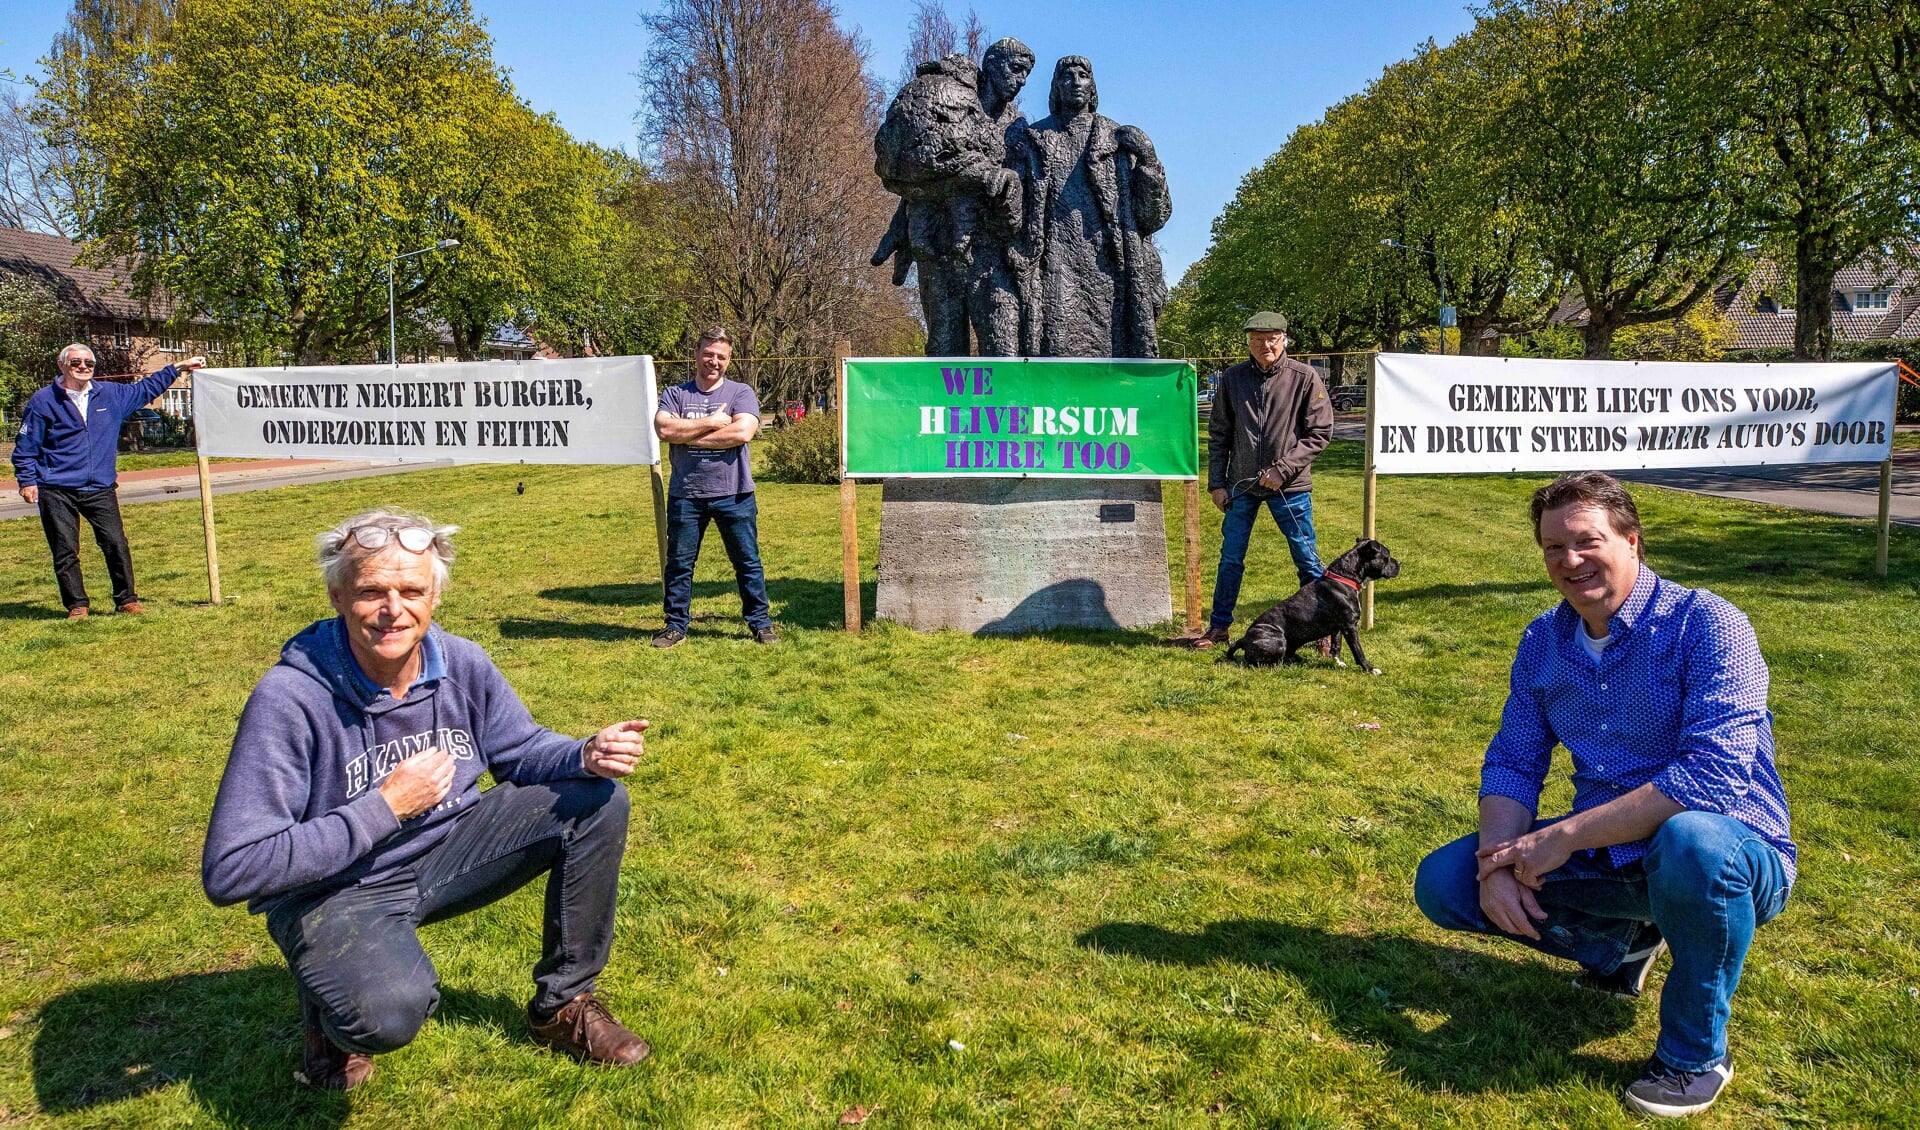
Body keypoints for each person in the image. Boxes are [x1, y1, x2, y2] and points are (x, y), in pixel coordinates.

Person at [203, 509, 653, 1090]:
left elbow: (518, 748)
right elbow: (231, 867)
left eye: (411, 589)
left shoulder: (460, 662)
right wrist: (384, 807)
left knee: (597, 801)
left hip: (448, 851)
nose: (394, 609)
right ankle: (329, 1019)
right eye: (371, 591)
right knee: (388, 1012)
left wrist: (584, 754)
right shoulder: (289, 698)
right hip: (338, 889)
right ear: (337, 596)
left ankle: (562, 1007)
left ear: (434, 594)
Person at [1413, 472, 1795, 1119]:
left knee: (1691, 842)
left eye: (1587, 541)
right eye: (1553, 548)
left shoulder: (1707, 623)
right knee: (1446, 881)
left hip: (1731, 852)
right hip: (1614, 857)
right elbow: (1513, 761)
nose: (1570, 561)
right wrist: (1496, 863)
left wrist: (1562, 837)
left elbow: (1711, 778)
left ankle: (1695, 1056)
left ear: (1633, 541)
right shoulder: (1543, 641)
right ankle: (1624, 946)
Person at [11, 344, 204, 618]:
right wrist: (27, 480)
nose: (84, 367)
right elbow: (26, 445)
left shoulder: (111, 395)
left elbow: (146, 388)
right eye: (76, 362)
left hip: (99, 487)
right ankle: (77, 605)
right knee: (65, 549)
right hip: (56, 488)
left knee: (115, 543)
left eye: (89, 362)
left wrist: (177, 368)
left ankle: (126, 600)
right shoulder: (43, 401)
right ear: (62, 365)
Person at [1015, 55, 1172, 358]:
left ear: (1092, 86)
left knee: (1112, 355)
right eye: (1066, 76)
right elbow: (1013, 214)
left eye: (1082, 75)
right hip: (1054, 265)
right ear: (1055, 87)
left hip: (1109, 266)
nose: (1074, 82)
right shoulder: (1034, 139)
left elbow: (1153, 218)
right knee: (1056, 353)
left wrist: (1149, 162)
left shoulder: (1115, 139)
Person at [1191, 311, 1331, 650]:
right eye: (1257, 340)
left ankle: (1323, 629)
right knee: (1230, 558)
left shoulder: (1304, 377)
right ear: (1249, 342)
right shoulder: (1233, 378)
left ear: (1284, 339)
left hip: (1290, 488)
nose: (1264, 345)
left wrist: (1282, 469)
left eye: (1271, 339)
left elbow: (1320, 432)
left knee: (1306, 557)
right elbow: (1219, 433)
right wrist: (1217, 484)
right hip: (1242, 487)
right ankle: (1219, 626)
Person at [652, 327, 776, 648]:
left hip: (734, 493)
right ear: (696, 353)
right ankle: (675, 626)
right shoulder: (676, 393)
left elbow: (741, 433)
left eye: (721, 356)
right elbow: (664, 427)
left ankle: (760, 624)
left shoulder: (741, 392)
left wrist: (687, 434)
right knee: (679, 564)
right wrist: (710, 422)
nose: (714, 361)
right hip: (686, 494)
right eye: (708, 354)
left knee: (747, 562)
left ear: (729, 359)